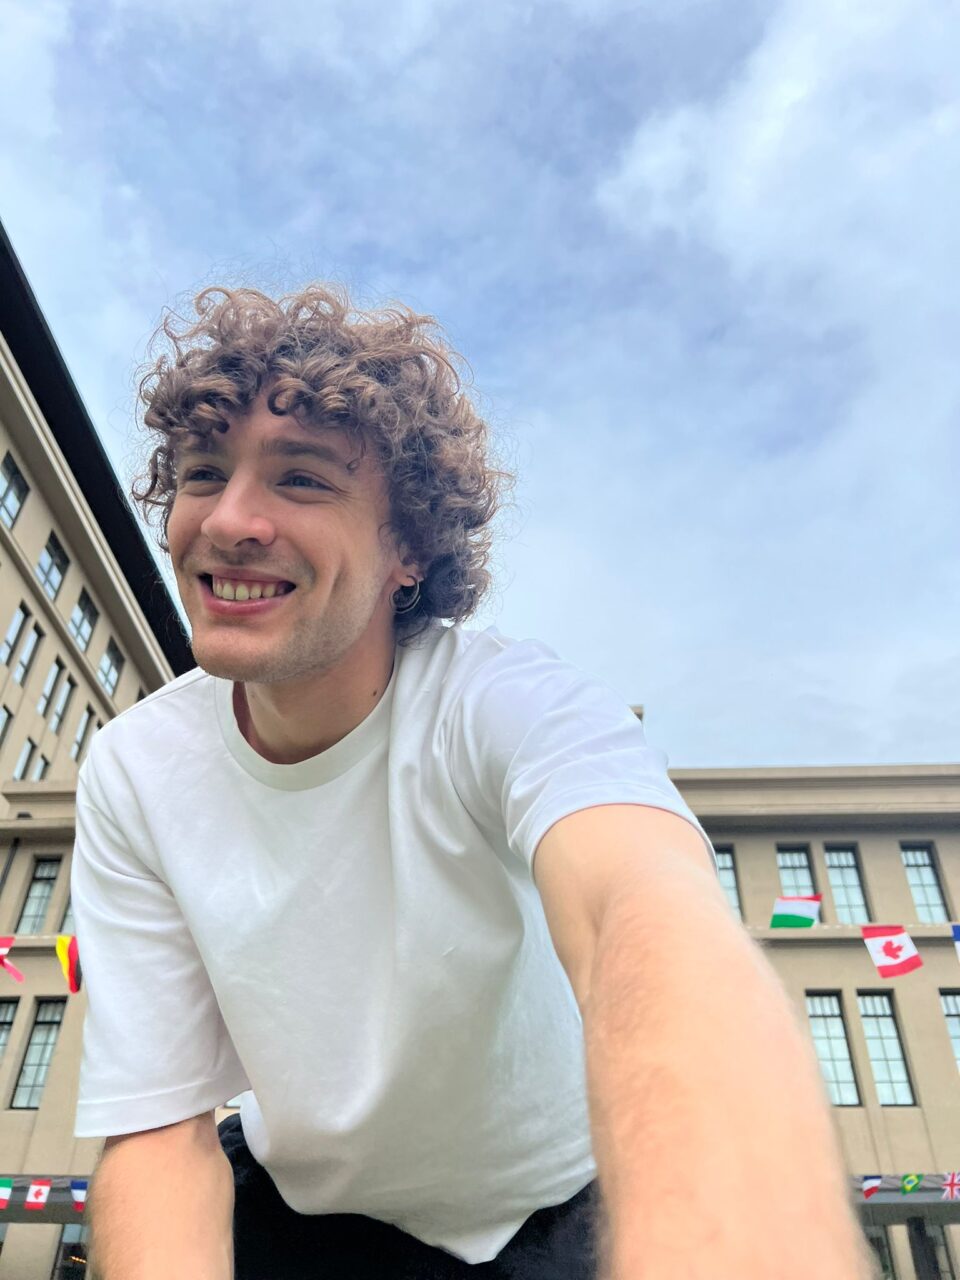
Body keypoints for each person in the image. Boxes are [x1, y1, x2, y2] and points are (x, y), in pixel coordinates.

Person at [73, 286, 873, 1280]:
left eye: (302, 478)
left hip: (557, 1213)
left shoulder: (507, 701)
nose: (230, 520)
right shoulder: (133, 770)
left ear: (407, 548)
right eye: (203, 472)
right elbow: (160, 1131)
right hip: (307, 1215)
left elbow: (642, 913)